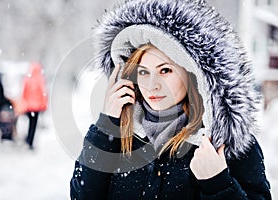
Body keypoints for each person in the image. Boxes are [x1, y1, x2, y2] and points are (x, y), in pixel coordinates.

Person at [70, 0, 271, 199]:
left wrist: (218, 184)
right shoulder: (118, 131)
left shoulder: (228, 142)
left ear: (193, 74)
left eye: (165, 70)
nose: (152, 85)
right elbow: (81, 195)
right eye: (143, 71)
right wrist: (106, 126)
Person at [20, 62, 48, 149]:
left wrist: (24, 103)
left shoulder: (27, 79)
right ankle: (30, 141)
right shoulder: (40, 80)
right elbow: (43, 94)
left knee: (28, 123)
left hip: (28, 107)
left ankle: (27, 138)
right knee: (33, 125)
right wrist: (44, 105)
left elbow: (23, 93)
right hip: (36, 108)